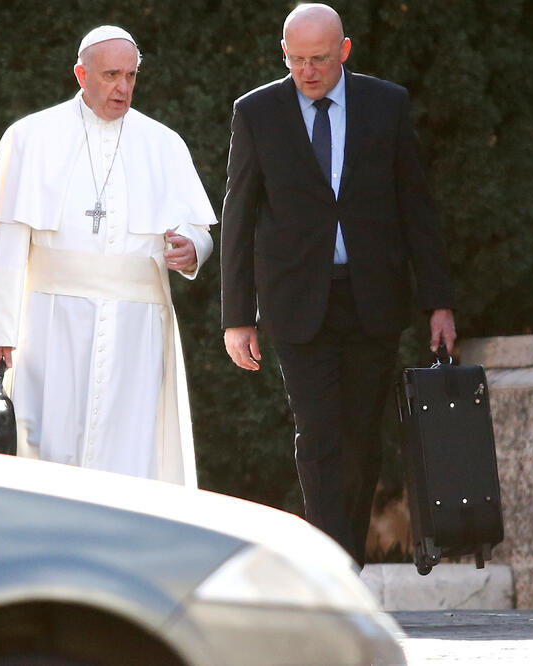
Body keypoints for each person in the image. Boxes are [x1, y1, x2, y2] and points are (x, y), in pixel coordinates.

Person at [219, 3, 457, 566]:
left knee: (361, 438)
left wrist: (439, 302)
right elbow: (239, 214)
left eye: (319, 59)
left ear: (344, 51)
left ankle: (344, 558)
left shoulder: (386, 104)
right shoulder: (256, 112)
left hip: (372, 298)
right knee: (319, 434)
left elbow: (416, 208)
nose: (307, 71)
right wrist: (237, 316)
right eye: (296, 59)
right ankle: (335, 564)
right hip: (297, 303)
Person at [0, 25, 217, 487]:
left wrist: (192, 251)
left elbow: (197, 230)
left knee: (131, 448)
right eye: (110, 75)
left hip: (137, 327)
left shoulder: (163, 143)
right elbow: (7, 245)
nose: (122, 87)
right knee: (49, 445)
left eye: (130, 75)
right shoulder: (29, 137)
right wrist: (1, 332)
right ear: (81, 74)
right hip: (50, 322)